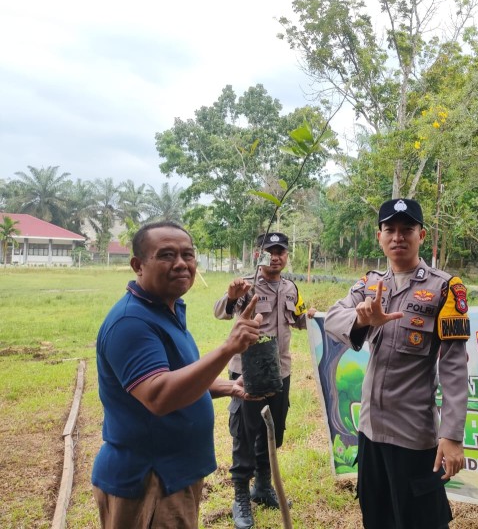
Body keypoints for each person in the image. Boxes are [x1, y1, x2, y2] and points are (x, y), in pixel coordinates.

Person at [92, 221, 263, 529]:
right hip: (149, 481)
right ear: (137, 265)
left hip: (174, 474)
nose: (182, 263)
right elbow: (159, 395)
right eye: (167, 255)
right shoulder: (131, 322)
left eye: (188, 254)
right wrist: (228, 348)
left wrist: (229, 386)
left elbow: (179, 377)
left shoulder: (165, 309)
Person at [325, 198, 471, 529]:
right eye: (389, 230)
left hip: (413, 437)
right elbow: (333, 318)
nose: (398, 237)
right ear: (379, 237)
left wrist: (452, 435)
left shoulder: (445, 288)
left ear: (422, 235)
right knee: (376, 517)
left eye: (407, 230)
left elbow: (454, 369)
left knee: (420, 522)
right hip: (370, 432)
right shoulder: (370, 285)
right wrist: (363, 321)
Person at [213, 231, 316, 529]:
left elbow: (298, 320)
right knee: (245, 434)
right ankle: (241, 496)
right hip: (248, 373)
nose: (276, 256)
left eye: (280, 251)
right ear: (260, 254)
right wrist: (232, 296)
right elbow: (221, 311)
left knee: (274, 432)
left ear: (286, 255)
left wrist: (311, 316)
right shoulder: (246, 285)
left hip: (280, 371)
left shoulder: (291, 288)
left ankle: (262, 486)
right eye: (270, 251)